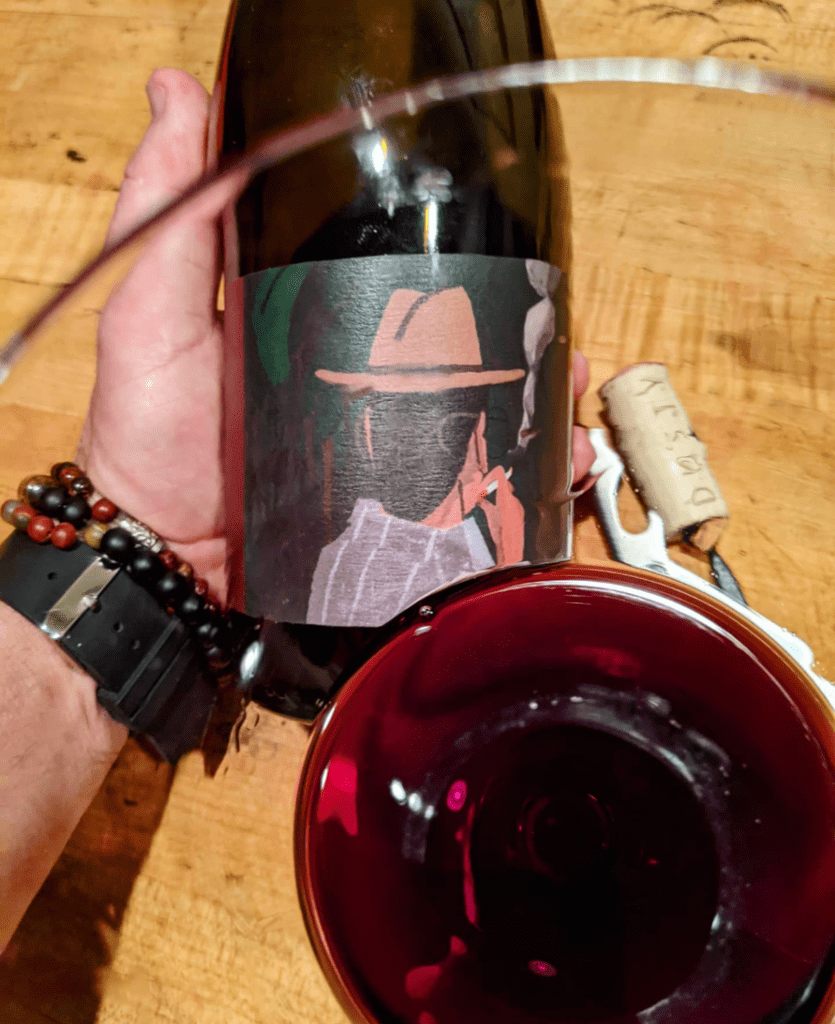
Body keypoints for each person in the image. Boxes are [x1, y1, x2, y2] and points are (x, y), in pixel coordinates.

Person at [0, 69, 596, 952]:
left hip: (509, 761)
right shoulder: (343, 551)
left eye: (440, 402)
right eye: (380, 402)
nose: (399, 426)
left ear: (479, 413)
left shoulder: (495, 521)